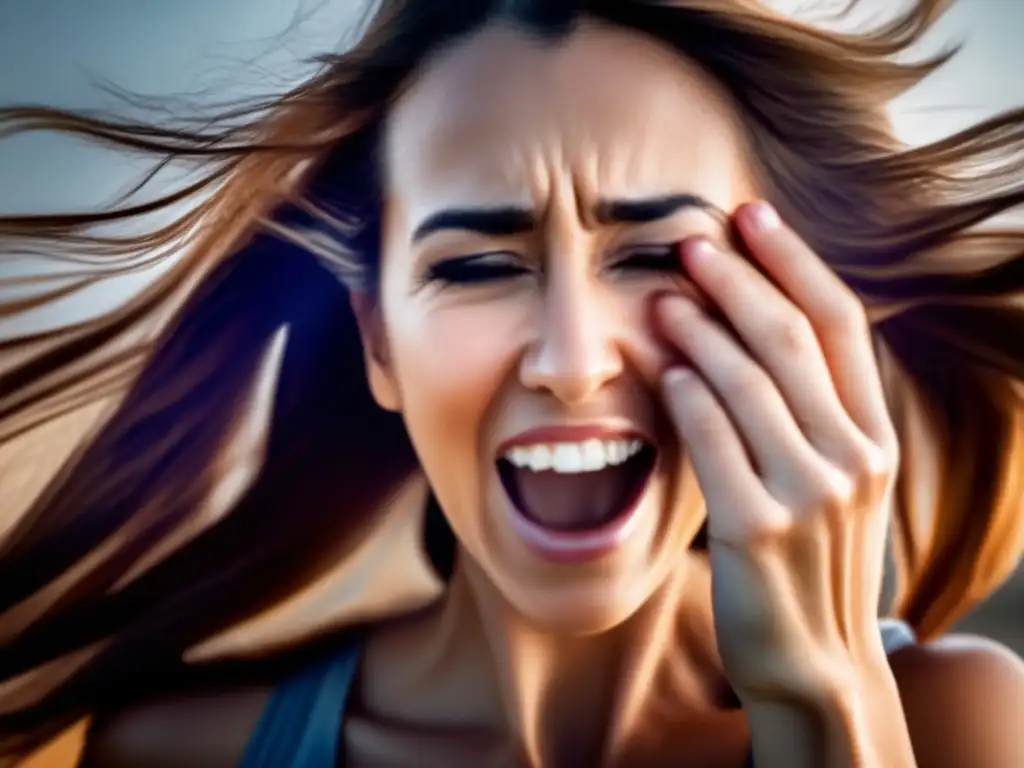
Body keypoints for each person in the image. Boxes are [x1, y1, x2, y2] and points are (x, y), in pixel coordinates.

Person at [1, 0, 1023, 765]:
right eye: (477, 267)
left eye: (659, 255)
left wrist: (823, 701)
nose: (570, 362)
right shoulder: (181, 754)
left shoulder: (958, 725)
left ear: (789, 313)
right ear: (380, 346)